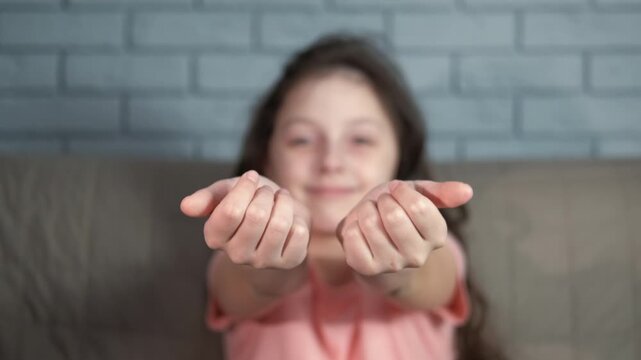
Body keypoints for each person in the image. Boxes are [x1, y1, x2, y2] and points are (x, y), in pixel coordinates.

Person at [180, 34, 505, 360]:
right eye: (302, 140)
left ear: (400, 154)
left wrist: (391, 271)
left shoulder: (430, 247)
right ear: (267, 156)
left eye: (361, 139)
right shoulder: (239, 255)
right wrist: (270, 254)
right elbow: (254, 283)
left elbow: (424, 278)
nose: (331, 162)